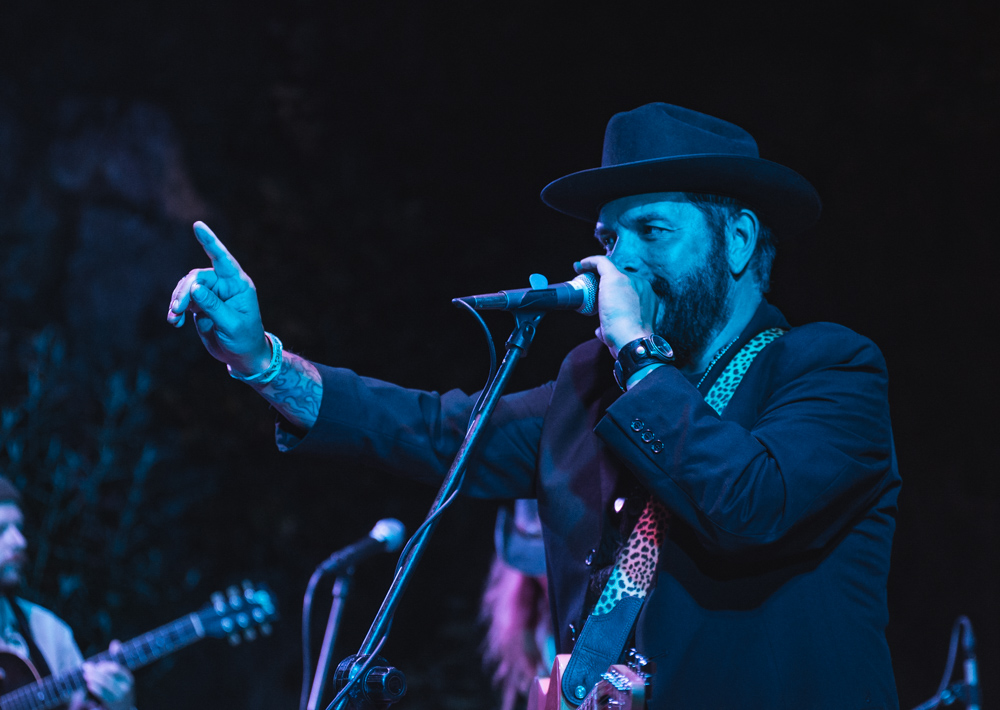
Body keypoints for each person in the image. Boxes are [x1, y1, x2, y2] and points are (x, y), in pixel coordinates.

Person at [167, 102, 901, 709]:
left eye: (653, 231)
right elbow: (434, 433)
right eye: (611, 238)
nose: (625, 261)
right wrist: (260, 361)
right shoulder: (591, 389)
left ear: (737, 240)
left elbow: (750, 503)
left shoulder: (830, 369)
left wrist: (638, 352)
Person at [0, 476, 136, 710]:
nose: (20, 541)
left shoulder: (49, 634)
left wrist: (121, 706)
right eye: (1, 530)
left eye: (19, 528)